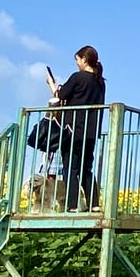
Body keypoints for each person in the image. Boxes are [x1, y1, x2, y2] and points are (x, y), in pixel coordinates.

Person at [46, 45, 106, 212]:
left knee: (70, 167)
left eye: (78, 60)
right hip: (91, 131)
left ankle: (72, 206)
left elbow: (60, 97)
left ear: (84, 60)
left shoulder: (78, 77)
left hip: (73, 128)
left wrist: (52, 84)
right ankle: (94, 204)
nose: (77, 64)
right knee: (86, 168)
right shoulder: (100, 82)